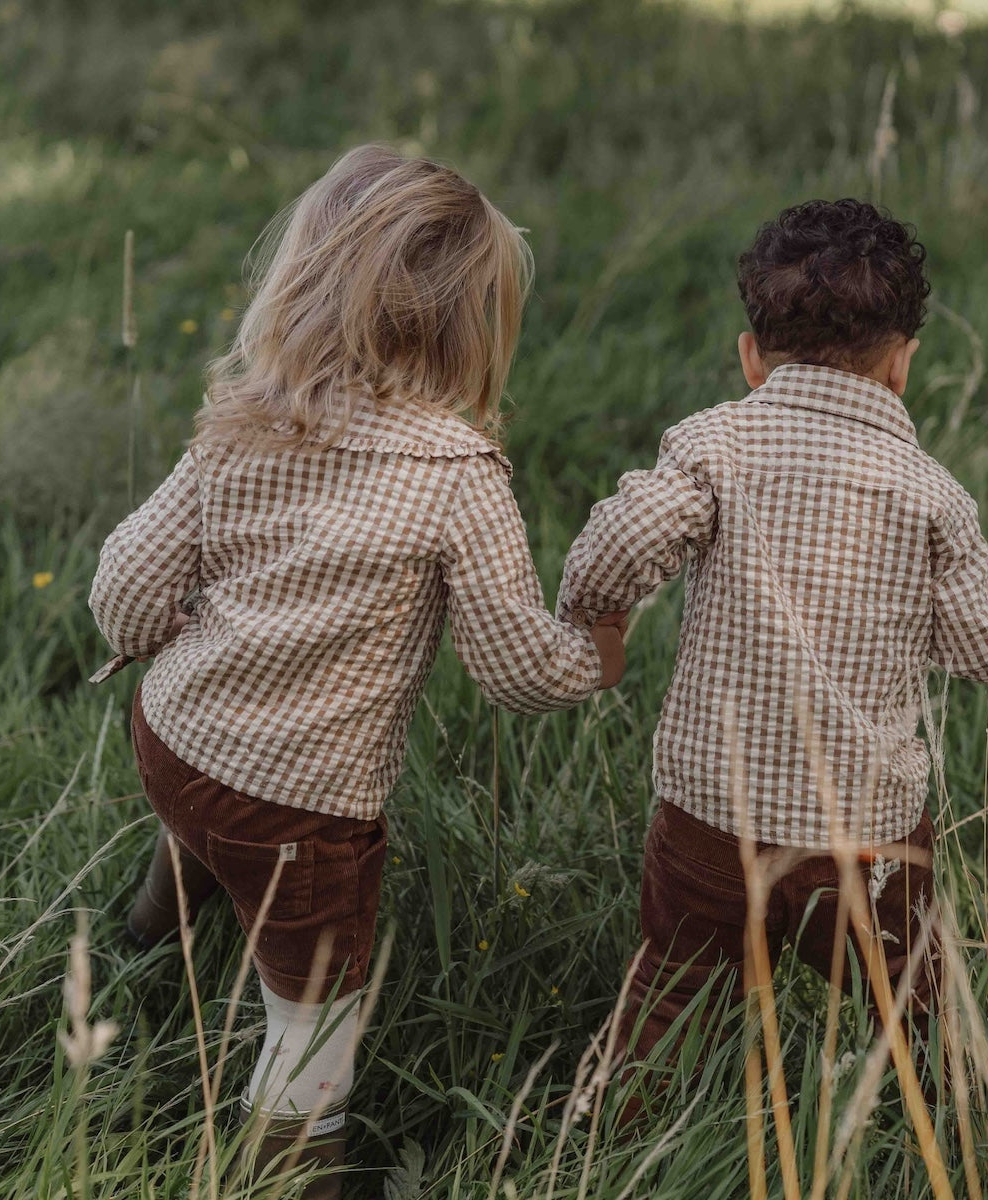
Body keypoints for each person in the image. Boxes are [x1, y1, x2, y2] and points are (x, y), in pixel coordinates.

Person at [89, 144, 624, 1198]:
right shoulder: (458, 479)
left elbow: (126, 580)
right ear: (478, 329)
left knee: (203, 816)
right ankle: (293, 1150)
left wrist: (155, 633)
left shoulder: (243, 422)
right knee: (314, 991)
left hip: (174, 739)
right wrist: (594, 656)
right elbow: (512, 666)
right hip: (304, 811)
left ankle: (151, 930)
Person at [558, 198, 988, 1107]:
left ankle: (609, 1129)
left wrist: (596, 614)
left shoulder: (714, 446)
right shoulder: (928, 497)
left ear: (752, 357)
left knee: (669, 997)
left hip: (715, 812)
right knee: (915, 995)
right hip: (864, 832)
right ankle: (968, 1125)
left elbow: (618, 545)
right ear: (903, 364)